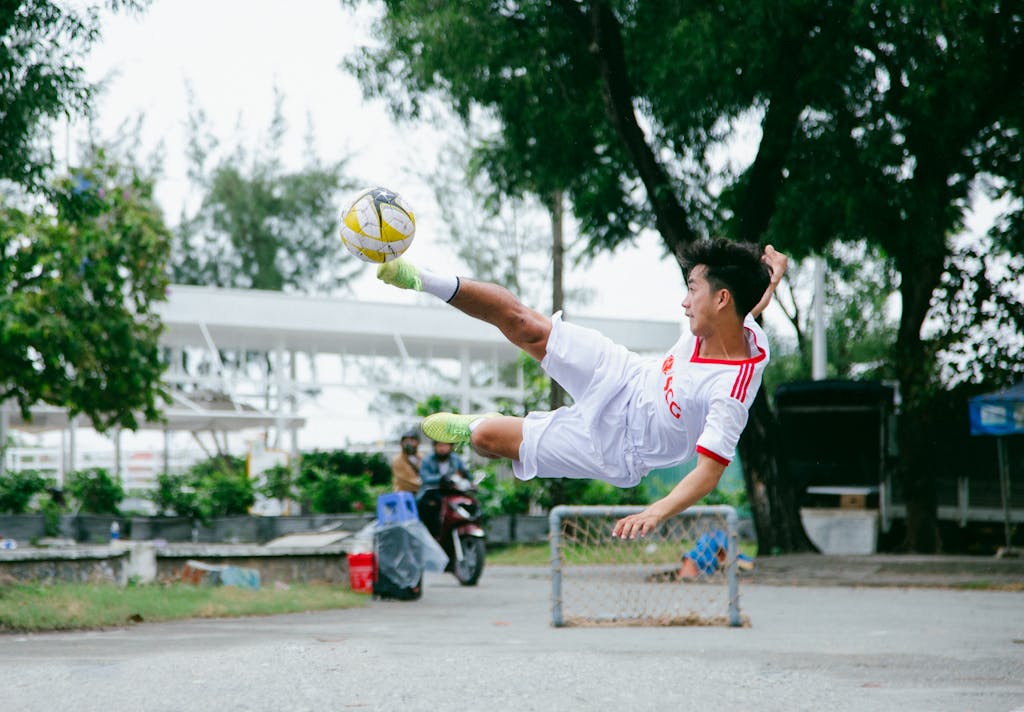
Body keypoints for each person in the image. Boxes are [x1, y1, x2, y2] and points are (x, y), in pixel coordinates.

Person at [377, 239, 788, 540]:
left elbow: (708, 472)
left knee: (487, 438)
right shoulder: (732, 320)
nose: (684, 303)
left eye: (692, 290)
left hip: (618, 447)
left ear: (720, 299)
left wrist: (656, 512)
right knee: (527, 325)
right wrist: (771, 275)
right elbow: (750, 302)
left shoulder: (730, 389)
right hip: (625, 375)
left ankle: (477, 426)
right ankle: (418, 278)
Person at [417, 440, 470, 537]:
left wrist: (468, 479)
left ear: (450, 446)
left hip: (452, 492)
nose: (442, 448)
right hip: (433, 492)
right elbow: (425, 478)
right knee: (429, 509)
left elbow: (466, 474)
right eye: (439, 445)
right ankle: (433, 536)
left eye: (445, 445)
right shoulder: (427, 460)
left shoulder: (456, 459)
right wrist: (442, 478)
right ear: (434, 446)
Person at [390, 428, 422, 495]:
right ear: (401, 443)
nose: (409, 444)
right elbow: (404, 481)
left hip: (421, 492)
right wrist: (423, 484)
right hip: (404, 494)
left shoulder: (422, 458)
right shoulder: (397, 460)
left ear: (418, 442)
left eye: (412, 440)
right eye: (406, 441)